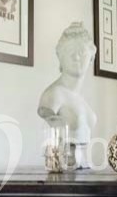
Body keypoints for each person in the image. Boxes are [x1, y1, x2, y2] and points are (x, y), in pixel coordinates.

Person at [38, 22, 98, 168]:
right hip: (65, 172)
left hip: (85, 173)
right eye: (70, 51)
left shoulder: (82, 101)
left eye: (82, 51)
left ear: (91, 58)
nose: (76, 57)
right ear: (60, 57)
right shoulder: (53, 96)